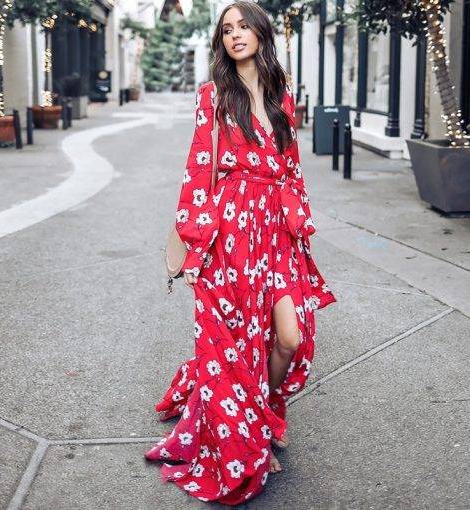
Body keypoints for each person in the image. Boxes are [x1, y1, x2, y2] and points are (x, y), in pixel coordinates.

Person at [144, 1, 337, 505]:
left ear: (260, 33)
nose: (235, 35)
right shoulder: (213, 96)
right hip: (230, 231)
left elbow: (292, 167)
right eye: (226, 29)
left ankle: (267, 409)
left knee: (288, 337)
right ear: (221, 42)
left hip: (275, 231)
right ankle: (253, 429)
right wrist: (195, 246)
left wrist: (299, 226)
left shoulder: (280, 95)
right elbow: (198, 168)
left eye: (243, 26)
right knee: (240, 343)